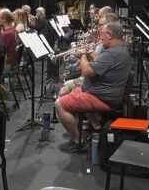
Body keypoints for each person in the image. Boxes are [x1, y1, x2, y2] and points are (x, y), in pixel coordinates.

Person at [55, 22, 132, 153]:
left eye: (102, 35)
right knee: (74, 90)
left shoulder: (112, 53)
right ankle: (97, 127)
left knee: (59, 104)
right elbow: (100, 64)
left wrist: (82, 55)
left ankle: (77, 141)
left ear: (110, 35)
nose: (100, 38)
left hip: (102, 97)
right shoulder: (121, 49)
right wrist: (90, 52)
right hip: (104, 93)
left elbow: (86, 72)